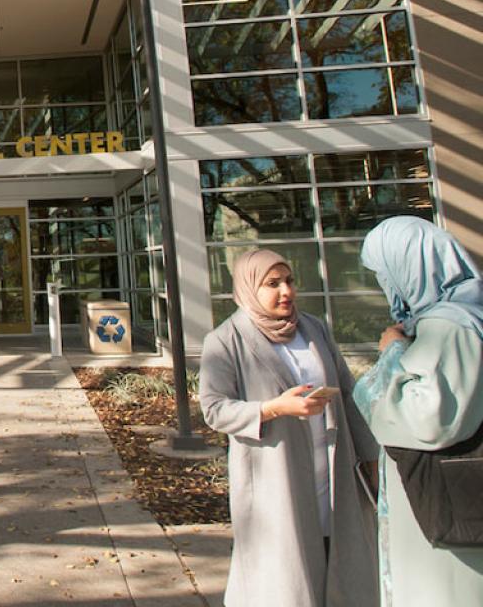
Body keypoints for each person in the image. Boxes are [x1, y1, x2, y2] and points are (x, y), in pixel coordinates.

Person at [199, 249, 378, 607]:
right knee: (284, 579)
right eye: (272, 284)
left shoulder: (312, 328)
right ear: (250, 288)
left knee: (341, 563)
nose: (286, 292)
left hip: (331, 470)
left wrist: (370, 458)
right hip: (274, 478)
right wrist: (273, 408)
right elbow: (214, 409)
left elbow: (348, 393)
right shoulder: (226, 340)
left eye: (289, 281)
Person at [352, 217, 483, 606]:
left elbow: (430, 419)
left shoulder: (450, 325)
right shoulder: (459, 316)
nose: (384, 286)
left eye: (384, 273)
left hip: (448, 513)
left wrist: (390, 354)